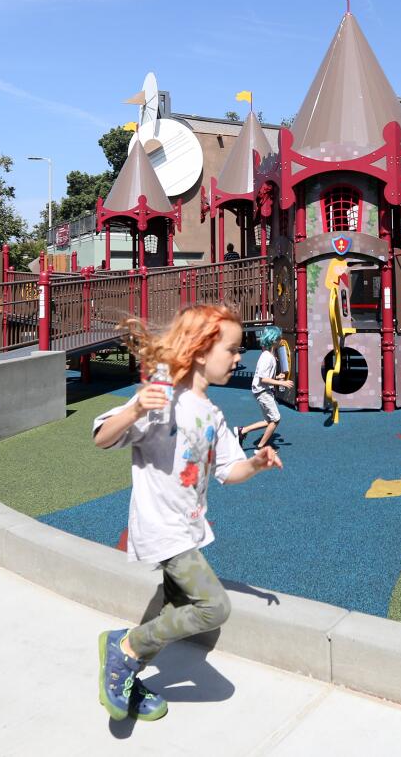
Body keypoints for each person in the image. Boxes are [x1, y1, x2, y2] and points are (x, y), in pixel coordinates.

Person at [92, 304, 283, 722]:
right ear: (200, 350)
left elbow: (228, 471)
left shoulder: (213, 414)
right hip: (163, 529)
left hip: (189, 528)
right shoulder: (163, 401)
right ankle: (124, 648)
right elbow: (102, 437)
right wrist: (135, 409)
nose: (238, 358)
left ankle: (129, 672)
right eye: (232, 350)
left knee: (169, 609)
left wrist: (256, 463)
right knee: (214, 608)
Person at [238, 325, 291, 449]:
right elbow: (263, 378)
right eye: (279, 338)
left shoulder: (269, 355)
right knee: (276, 419)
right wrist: (282, 383)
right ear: (273, 341)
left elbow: (265, 376)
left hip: (263, 390)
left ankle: (243, 431)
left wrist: (277, 377)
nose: (280, 340)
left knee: (269, 420)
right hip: (262, 391)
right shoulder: (267, 357)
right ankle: (261, 447)